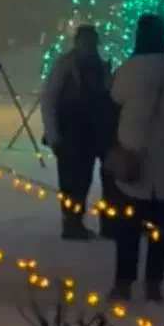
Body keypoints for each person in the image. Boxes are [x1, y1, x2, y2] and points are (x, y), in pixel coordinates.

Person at [108, 13, 164, 302]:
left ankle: (123, 282)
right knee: (161, 227)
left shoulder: (129, 68)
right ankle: (153, 283)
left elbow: (116, 97)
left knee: (128, 226)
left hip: (135, 153)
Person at [40, 25, 118, 239]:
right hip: (71, 132)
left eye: (91, 42)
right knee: (73, 180)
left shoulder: (101, 66)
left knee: (99, 178)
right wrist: (54, 133)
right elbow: (49, 98)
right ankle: (72, 223)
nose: (89, 46)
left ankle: (107, 223)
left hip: (96, 130)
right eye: (85, 41)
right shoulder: (65, 66)